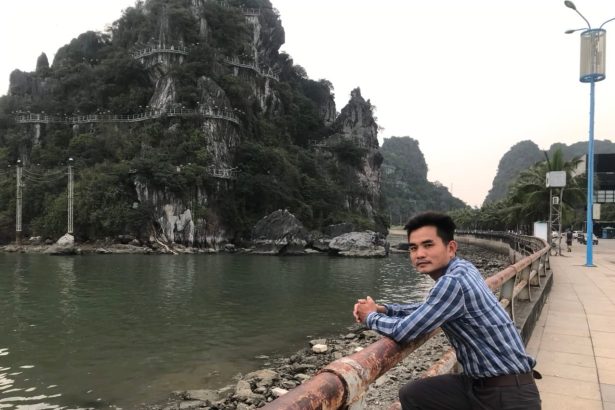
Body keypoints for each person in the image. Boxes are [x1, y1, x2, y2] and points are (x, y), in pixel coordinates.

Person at [353, 211, 541, 410]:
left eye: (428, 245)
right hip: (488, 384)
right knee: (413, 394)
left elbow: (403, 332)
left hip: (507, 396)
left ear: (451, 248)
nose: (419, 254)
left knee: (414, 395)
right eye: (413, 248)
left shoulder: (452, 282)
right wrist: (385, 309)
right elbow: (429, 308)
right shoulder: (464, 268)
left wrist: (369, 316)